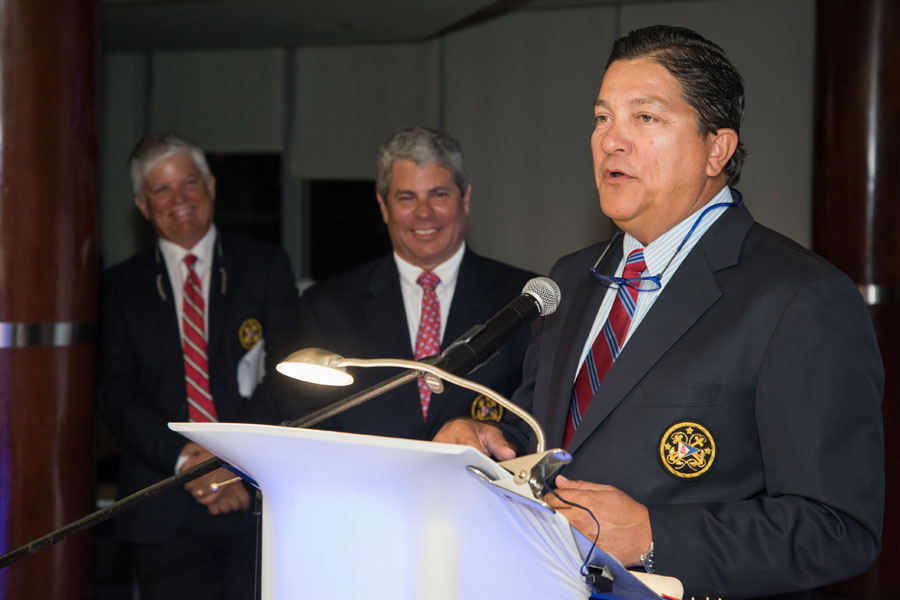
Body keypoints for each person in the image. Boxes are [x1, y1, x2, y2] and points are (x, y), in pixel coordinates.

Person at [435, 25, 884, 599]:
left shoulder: (799, 297)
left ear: (717, 149)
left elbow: (838, 528)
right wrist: (485, 446)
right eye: (602, 117)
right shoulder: (570, 278)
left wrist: (655, 535)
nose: (611, 141)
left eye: (644, 117)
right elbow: (545, 443)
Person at [97, 133, 300, 600]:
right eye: (161, 189)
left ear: (210, 185)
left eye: (189, 182)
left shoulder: (265, 266)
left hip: (252, 495)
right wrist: (190, 463)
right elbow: (116, 392)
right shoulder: (120, 286)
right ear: (142, 205)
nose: (179, 199)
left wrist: (229, 461)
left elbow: (287, 374)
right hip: (161, 505)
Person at [272, 126, 537, 442]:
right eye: (406, 198)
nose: (424, 213)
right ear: (384, 207)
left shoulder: (522, 302)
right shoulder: (326, 308)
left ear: (465, 198)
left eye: (439, 194)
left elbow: (537, 420)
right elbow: (306, 429)